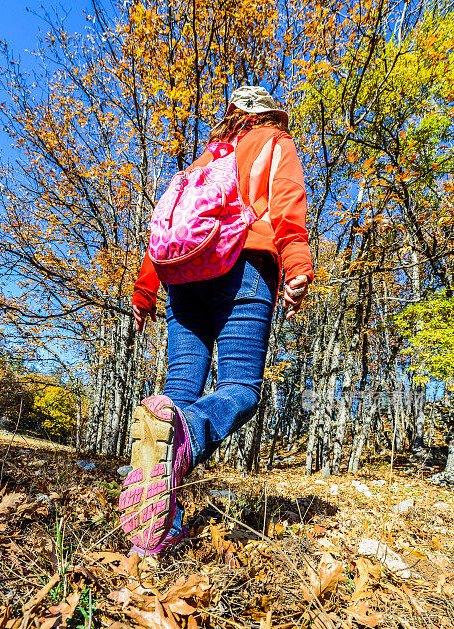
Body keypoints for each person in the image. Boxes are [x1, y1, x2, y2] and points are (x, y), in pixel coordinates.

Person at [119, 86, 313, 557]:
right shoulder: (274, 143)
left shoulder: (200, 165)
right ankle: (186, 433)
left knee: (177, 394)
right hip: (244, 268)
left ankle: (160, 530)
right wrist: (297, 263)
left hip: (182, 278)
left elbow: (165, 231)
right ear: (269, 116)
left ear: (231, 117)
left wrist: (146, 292)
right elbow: (286, 202)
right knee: (242, 389)